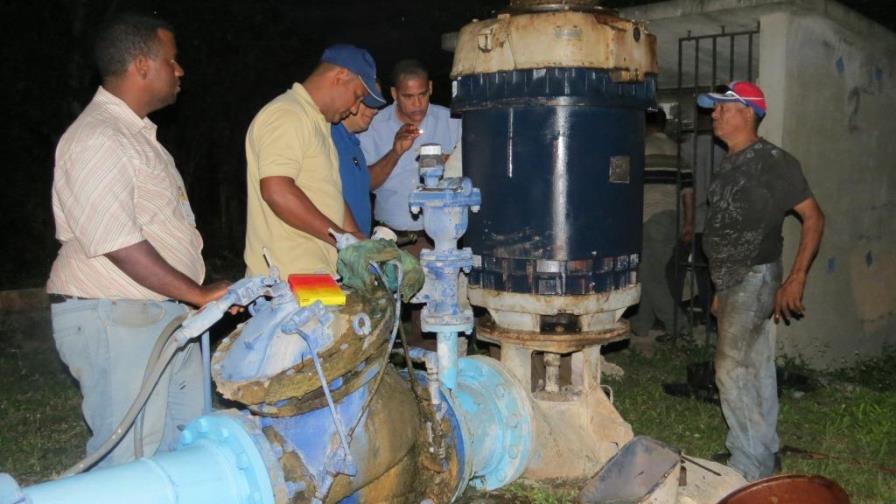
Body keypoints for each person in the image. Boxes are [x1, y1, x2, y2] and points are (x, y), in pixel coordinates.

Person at [46, 13, 231, 466]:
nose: (180, 70)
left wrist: (193, 299)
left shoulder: (136, 136)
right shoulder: (97, 137)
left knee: (185, 451)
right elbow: (117, 240)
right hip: (117, 314)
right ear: (142, 66)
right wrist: (197, 293)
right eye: (172, 60)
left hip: (159, 313)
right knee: (131, 464)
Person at [697, 81, 825, 481]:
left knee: (730, 368)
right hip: (734, 281)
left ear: (748, 112)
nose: (714, 113)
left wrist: (797, 277)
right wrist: (720, 290)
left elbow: (814, 217)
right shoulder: (730, 163)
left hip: (754, 276)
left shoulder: (773, 161)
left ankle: (747, 465)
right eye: (714, 108)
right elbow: (729, 229)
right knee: (755, 366)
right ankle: (761, 453)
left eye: (723, 107)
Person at [244, 44, 385, 276]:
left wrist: (357, 239)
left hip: (316, 272)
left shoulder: (320, 124)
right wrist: (340, 237)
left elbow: (329, 194)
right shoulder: (288, 115)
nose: (354, 109)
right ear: (341, 76)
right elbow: (276, 190)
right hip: (289, 278)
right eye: (357, 97)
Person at [358, 59, 461, 347]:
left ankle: (434, 380)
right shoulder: (373, 125)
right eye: (408, 97)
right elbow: (367, 182)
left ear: (430, 89)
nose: (417, 105)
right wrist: (396, 151)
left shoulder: (451, 120)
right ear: (394, 94)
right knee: (383, 317)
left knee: (432, 319)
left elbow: (473, 170)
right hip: (393, 237)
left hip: (439, 238)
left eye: (422, 95)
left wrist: (452, 165)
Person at [630, 108, 691, 341]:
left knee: (649, 275)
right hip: (672, 218)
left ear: (646, 126)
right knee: (651, 271)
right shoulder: (678, 152)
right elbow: (689, 192)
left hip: (650, 218)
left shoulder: (641, 149)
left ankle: (679, 326)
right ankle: (641, 323)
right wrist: (688, 223)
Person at [332, 82, 412, 237]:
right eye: (368, 103)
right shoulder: (329, 137)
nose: (375, 110)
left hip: (357, 248)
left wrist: (396, 152)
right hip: (334, 246)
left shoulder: (354, 143)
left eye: (376, 104)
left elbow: (364, 183)